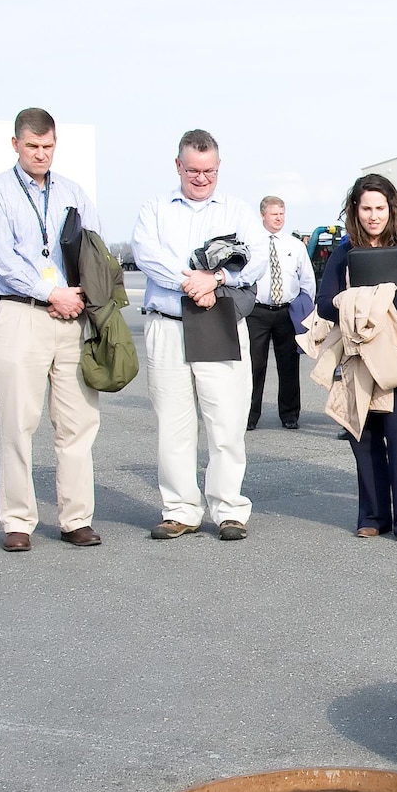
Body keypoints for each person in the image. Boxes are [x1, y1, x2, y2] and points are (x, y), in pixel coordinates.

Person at [0, 107, 104, 552]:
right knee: (16, 422)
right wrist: (50, 293)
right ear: (15, 144)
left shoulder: (72, 192)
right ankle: (17, 519)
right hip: (21, 312)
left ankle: (76, 517)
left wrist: (82, 294)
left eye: (48, 147)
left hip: (71, 315)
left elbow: (93, 246)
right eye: (32, 146)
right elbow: (1, 260)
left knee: (77, 423)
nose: (41, 154)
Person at [130, 129, 263, 543]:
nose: (201, 178)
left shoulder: (238, 211)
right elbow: (147, 255)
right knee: (174, 424)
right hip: (167, 323)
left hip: (217, 321)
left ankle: (229, 509)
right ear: (178, 166)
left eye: (209, 171)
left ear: (218, 167)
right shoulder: (155, 208)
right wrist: (193, 283)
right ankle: (180, 509)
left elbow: (256, 258)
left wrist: (218, 278)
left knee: (226, 421)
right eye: (192, 170)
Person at [318, 174, 397, 541]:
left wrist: (371, 300)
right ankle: (373, 515)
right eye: (366, 208)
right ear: (355, 210)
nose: (373, 215)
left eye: (380, 208)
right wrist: (368, 304)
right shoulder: (344, 251)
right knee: (362, 434)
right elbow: (324, 302)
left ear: (392, 209)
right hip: (358, 355)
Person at [245, 194, 317, 432]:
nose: (279, 218)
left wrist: (306, 308)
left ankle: (289, 414)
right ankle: (249, 415)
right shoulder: (251, 244)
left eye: (282, 214)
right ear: (263, 214)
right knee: (255, 365)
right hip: (257, 311)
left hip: (287, 311)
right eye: (274, 214)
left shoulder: (294, 245)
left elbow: (307, 279)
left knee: (289, 365)